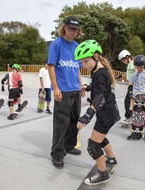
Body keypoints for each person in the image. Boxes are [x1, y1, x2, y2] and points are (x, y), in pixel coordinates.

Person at [75, 39, 120, 185]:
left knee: (93, 145)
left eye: (85, 61)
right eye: (82, 62)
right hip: (110, 113)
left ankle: (102, 174)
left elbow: (100, 98)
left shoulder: (99, 73)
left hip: (105, 115)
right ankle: (111, 158)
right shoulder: (99, 70)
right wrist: (88, 88)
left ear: (95, 56)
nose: (84, 65)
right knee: (99, 139)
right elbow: (101, 87)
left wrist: (86, 117)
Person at [48, 16, 85, 169]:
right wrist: (55, 88)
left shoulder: (77, 46)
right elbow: (51, 67)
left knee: (74, 121)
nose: (72, 32)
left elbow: (77, 68)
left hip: (75, 89)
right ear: (64, 28)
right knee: (61, 123)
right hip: (62, 90)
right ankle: (57, 153)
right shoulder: (56, 44)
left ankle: (69, 146)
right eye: (70, 29)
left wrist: (81, 85)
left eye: (75, 29)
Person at [127, 54, 145, 142]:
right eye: (138, 67)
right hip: (135, 98)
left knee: (144, 116)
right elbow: (130, 86)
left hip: (144, 98)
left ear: (144, 65)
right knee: (134, 115)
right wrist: (130, 94)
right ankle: (133, 132)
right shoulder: (134, 75)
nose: (140, 68)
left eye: (141, 66)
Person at [118, 50, 136, 124]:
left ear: (127, 57)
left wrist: (131, 82)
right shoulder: (130, 64)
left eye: (123, 59)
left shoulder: (132, 63)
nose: (123, 61)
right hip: (131, 85)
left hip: (133, 85)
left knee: (127, 101)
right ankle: (132, 117)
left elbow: (136, 72)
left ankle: (129, 118)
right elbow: (128, 72)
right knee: (130, 101)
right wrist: (120, 76)